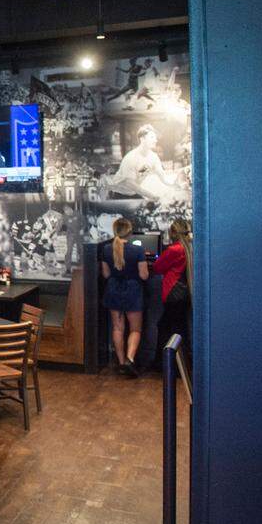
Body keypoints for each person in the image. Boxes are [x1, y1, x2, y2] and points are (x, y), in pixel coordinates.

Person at [101, 217, 149, 377]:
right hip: (132, 290)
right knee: (135, 329)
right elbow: (144, 275)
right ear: (129, 231)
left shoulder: (107, 249)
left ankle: (121, 363)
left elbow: (106, 274)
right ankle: (130, 359)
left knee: (117, 328)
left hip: (113, 289)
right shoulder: (137, 250)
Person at [101, 124, 181, 202]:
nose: (155, 140)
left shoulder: (153, 157)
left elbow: (163, 177)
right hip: (117, 195)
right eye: (152, 137)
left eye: (155, 137)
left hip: (132, 193)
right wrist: (150, 195)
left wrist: (173, 184)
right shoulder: (131, 158)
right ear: (142, 139)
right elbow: (130, 183)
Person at [153, 218, 193, 365]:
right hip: (184, 293)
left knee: (166, 328)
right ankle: (183, 363)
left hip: (173, 293)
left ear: (173, 233)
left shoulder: (174, 249)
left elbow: (157, 266)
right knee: (181, 328)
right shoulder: (189, 247)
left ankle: (164, 364)